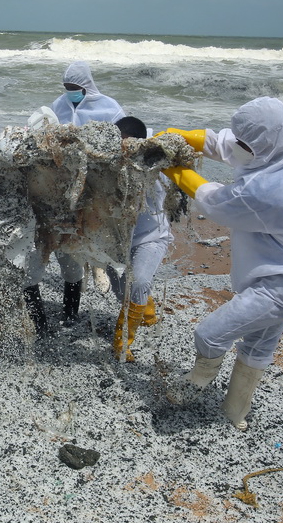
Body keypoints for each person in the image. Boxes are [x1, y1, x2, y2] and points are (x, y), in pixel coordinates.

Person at [162, 97, 283, 430]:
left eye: (246, 141)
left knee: (211, 334)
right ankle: (235, 413)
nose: (237, 144)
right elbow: (234, 145)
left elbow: (215, 202)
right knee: (258, 343)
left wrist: (175, 170)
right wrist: (179, 136)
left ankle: (193, 385)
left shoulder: (269, 190)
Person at [28, 61, 128, 328]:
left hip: (92, 189)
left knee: (84, 246)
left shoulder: (110, 107)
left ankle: (76, 305)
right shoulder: (59, 105)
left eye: (75, 88)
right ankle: (47, 319)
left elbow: (123, 142)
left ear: (86, 86)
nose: (71, 92)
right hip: (59, 190)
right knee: (57, 248)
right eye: (67, 88)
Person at [107, 116, 174, 362]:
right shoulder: (110, 163)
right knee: (120, 289)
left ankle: (122, 342)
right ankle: (147, 313)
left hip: (152, 235)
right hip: (118, 238)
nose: (124, 151)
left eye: (128, 145)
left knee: (138, 282)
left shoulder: (159, 163)